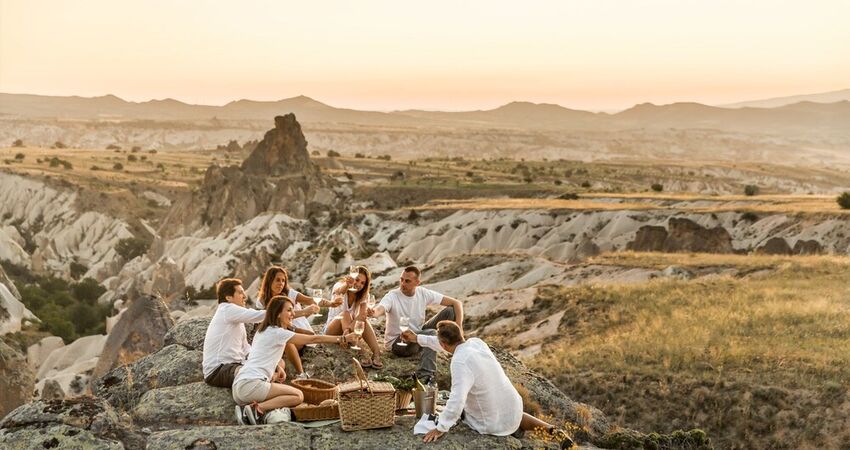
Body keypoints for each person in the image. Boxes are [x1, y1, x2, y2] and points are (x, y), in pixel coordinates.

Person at [402, 321, 573, 449]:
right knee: (513, 413)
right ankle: (551, 430)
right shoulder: (476, 343)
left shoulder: (460, 362)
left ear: (444, 344)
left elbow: (457, 399)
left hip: (489, 422)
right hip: (512, 405)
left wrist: (441, 427)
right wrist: (417, 338)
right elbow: (442, 343)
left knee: (449, 407)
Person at [233, 295, 356, 425]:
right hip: (250, 385)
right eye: (289, 310)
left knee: (281, 386)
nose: (293, 314)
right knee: (298, 396)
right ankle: (256, 410)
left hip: (239, 385)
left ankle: (250, 411)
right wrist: (343, 338)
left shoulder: (263, 331)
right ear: (278, 314)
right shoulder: (278, 333)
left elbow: (259, 356)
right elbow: (313, 339)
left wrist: (278, 368)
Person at [367, 265, 463, 380]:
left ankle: (449, 345)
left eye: (407, 281)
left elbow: (457, 303)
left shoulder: (423, 293)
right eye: (401, 279)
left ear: (417, 282)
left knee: (450, 311)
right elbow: (380, 309)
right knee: (432, 333)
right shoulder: (392, 295)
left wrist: (459, 328)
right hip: (399, 342)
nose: (403, 283)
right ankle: (426, 376)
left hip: (417, 335)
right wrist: (373, 313)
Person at [255, 266, 339, 378]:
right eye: (277, 280)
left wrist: (331, 304)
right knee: (279, 343)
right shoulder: (262, 301)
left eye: (283, 280)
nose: (281, 283)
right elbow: (271, 319)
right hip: (280, 333)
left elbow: (311, 300)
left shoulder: (290, 293)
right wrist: (304, 311)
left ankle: (301, 375)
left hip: (298, 334)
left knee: (286, 340)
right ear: (269, 280)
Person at [202, 278, 266, 388]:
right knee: (254, 375)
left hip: (233, 366)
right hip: (218, 371)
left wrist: (263, 360)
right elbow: (258, 316)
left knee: (267, 368)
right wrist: (284, 312)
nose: (245, 296)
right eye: (240, 293)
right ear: (228, 297)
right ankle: (250, 403)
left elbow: (246, 348)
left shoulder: (236, 318)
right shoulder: (227, 309)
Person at [322, 265, 384, 369]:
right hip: (332, 330)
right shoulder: (340, 285)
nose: (359, 284)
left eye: (363, 283)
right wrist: (347, 284)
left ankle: (376, 353)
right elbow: (338, 292)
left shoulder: (364, 295)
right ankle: (361, 351)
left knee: (363, 319)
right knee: (345, 314)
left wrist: (348, 329)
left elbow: (362, 315)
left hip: (349, 330)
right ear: (352, 277)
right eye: (357, 280)